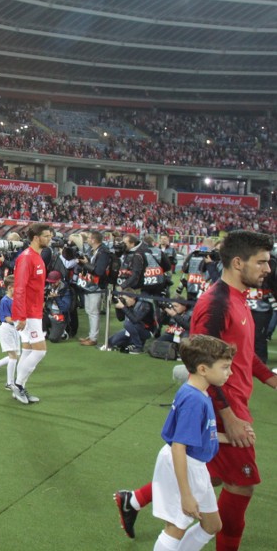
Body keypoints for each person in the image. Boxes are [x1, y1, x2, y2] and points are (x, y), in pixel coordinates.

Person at [114, 230, 276, 550]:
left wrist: (269, 377)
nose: (268, 269)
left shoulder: (240, 298)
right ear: (237, 262)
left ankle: (132, 501)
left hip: (230, 404)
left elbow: (243, 354)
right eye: (262, 262)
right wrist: (228, 416)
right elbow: (200, 364)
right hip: (221, 408)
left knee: (210, 476)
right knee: (241, 486)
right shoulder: (215, 304)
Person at [149, 335, 235, 551]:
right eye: (225, 367)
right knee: (176, 527)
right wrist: (186, 494)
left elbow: (199, 432)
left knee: (212, 524)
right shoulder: (195, 400)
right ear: (203, 369)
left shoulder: (199, 392)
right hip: (186, 464)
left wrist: (227, 438)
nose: (230, 372)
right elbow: (179, 445)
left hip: (195, 464)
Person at [10, 223, 53, 404]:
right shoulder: (27, 258)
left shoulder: (38, 257)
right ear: (36, 238)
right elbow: (19, 288)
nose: (49, 239)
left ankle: (19, 388)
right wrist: (21, 316)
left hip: (34, 311)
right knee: (40, 351)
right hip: (27, 313)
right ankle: (18, 385)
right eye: (46, 236)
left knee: (28, 350)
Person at [76, 230, 111, 347]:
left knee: (93, 312)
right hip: (89, 284)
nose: (88, 240)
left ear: (94, 240)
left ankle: (93, 338)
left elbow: (99, 271)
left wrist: (86, 264)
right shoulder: (94, 250)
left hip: (97, 286)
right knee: (89, 310)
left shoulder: (104, 252)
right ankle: (91, 335)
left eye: (89, 238)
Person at [0, 275, 18, 388]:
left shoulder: (16, 298)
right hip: (7, 329)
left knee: (15, 356)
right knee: (13, 356)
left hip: (15, 329)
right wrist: (20, 320)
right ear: (10, 288)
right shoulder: (5, 301)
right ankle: (10, 383)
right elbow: (8, 319)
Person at [103, 289, 155, 354]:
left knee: (127, 324)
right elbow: (121, 318)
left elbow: (135, 320)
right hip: (131, 329)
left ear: (133, 298)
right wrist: (118, 308)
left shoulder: (144, 304)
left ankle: (138, 347)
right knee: (111, 341)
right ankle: (132, 343)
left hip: (146, 330)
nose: (124, 301)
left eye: (125, 299)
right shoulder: (128, 304)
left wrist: (123, 307)